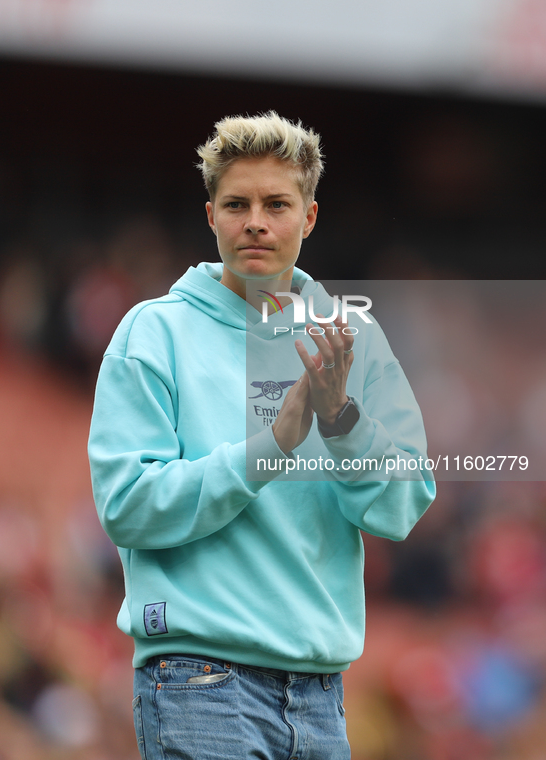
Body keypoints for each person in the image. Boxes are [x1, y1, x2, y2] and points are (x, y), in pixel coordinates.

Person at [88, 111, 436, 760]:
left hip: (320, 697)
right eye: (236, 203)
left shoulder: (351, 339)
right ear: (210, 215)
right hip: (197, 682)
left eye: (276, 204)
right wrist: (270, 447)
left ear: (307, 216)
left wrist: (339, 423)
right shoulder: (153, 334)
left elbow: (401, 504)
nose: (255, 220)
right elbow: (126, 505)